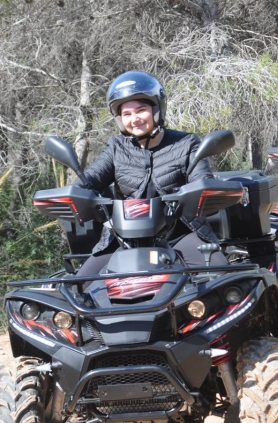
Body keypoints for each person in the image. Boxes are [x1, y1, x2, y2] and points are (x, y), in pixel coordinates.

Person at [75, 70, 221, 275]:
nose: (134, 119)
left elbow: (202, 181)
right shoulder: (116, 147)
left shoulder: (186, 143)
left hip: (180, 234)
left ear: (157, 109)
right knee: (79, 286)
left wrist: (204, 193)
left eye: (141, 110)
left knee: (222, 279)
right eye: (126, 114)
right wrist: (76, 192)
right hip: (122, 239)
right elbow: (91, 178)